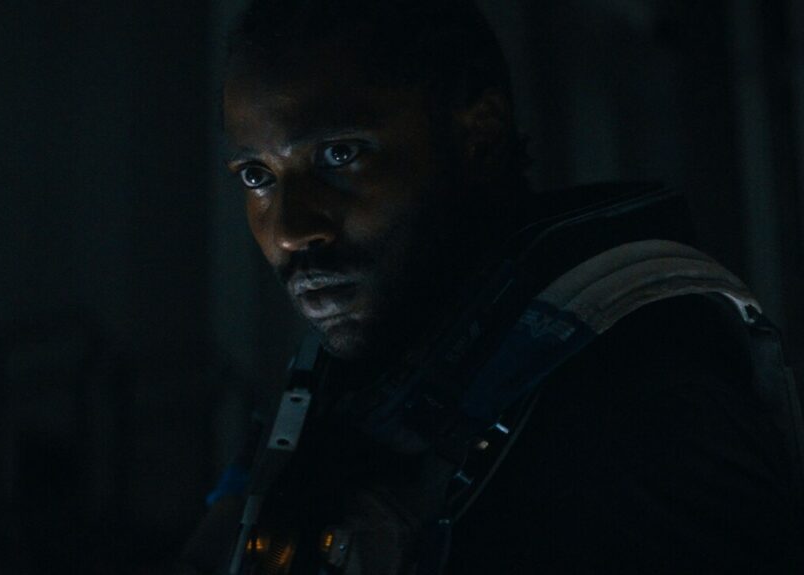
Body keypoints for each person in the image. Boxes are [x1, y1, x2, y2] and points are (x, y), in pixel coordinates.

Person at [176, 1, 804, 573]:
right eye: (257, 175)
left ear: (479, 134)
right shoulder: (350, 378)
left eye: (340, 155)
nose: (290, 230)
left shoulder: (638, 391)